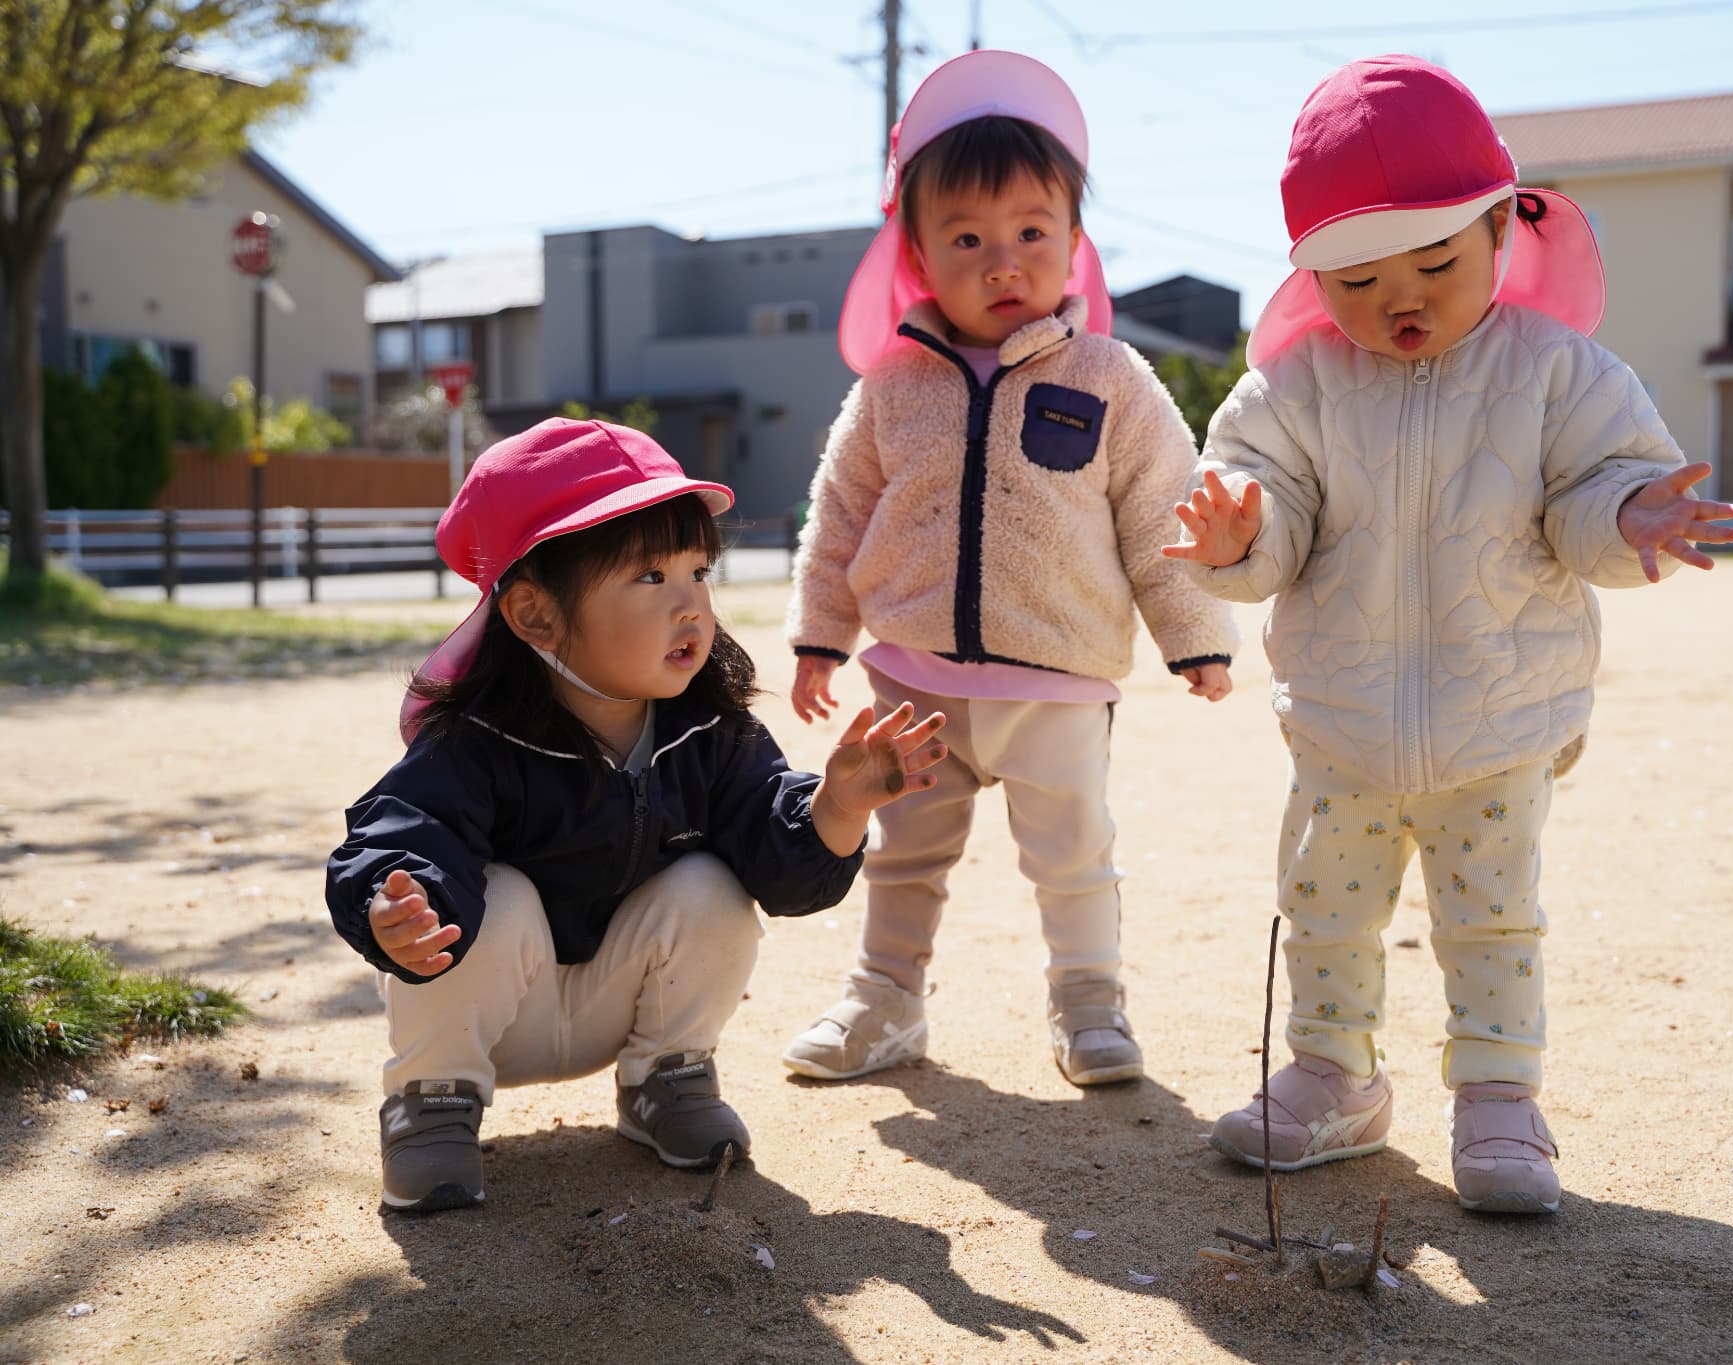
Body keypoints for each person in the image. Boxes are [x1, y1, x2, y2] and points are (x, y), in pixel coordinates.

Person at [1166, 56, 1733, 1213]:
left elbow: (1591, 491)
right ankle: (1333, 1073)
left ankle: (1496, 1095)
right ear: (1310, 278)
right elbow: (1270, 515)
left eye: (1434, 264)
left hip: (1499, 717)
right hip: (1341, 720)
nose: (1402, 300)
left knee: (1491, 919)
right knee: (1324, 907)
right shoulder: (1293, 389)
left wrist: (1627, 516)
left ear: (1498, 230)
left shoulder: (1556, 371)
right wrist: (1240, 535)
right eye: (1357, 280)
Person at [327, 418, 946, 1213]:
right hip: (492, 1019)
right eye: (651, 576)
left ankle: (668, 1077)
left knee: (711, 884)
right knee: (495, 892)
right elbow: (398, 829)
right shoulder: (477, 744)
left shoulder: (709, 733)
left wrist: (837, 806)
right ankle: (432, 1100)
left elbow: (778, 864)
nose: (691, 604)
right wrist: (395, 901)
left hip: (618, 1008)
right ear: (536, 616)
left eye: (698, 570)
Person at [780, 49, 1238, 1088]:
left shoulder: (1110, 377)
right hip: (914, 679)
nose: (1003, 264)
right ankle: (884, 998)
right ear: (917, 256)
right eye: (967, 240)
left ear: (1074, 242)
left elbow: (1159, 511)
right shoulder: (892, 384)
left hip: (1056, 680)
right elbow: (840, 511)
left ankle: (1089, 1002)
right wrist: (820, 636)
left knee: (1072, 856)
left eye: (1032, 233)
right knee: (901, 852)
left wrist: (1195, 636)